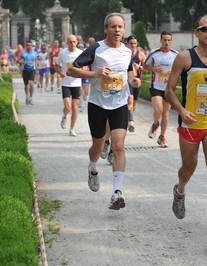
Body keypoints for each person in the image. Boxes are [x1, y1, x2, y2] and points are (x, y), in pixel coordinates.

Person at [165, 14, 207, 245]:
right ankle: (180, 190)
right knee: (189, 168)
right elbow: (169, 90)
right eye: (205, 29)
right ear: (197, 32)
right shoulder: (185, 57)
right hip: (190, 124)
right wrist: (182, 111)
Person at [67, 12, 141, 210]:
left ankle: (117, 193)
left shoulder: (127, 51)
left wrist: (133, 80)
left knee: (118, 146)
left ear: (124, 29)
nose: (117, 30)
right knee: (98, 148)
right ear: (105, 29)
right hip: (98, 104)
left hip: (119, 104)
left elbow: (129, 70)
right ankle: (92, 168)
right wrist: (95, 73)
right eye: (113, 27)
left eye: (120, 27)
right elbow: (71, 70)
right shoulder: (96, 49)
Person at [143, 30, 178, 147]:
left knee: (166, 113)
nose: (166, 42)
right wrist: (154, 69)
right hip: (156, 86)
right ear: (160, 40)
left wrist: (173, 73)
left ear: (171, 41)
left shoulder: (176, 54)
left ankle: (162, 137)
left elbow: (180, 70)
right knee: (158, 110)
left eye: (169, 40)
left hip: (168, 87)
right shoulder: (154, 53)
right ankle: (155, 124)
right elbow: (144, 66)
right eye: (164, 40)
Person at [56, 35, 83, 136]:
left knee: (75, 107)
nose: (72, 44)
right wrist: (60, 72)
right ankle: (64, 115)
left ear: (77, 42)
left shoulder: (80, 53)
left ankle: (72, 129)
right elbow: (56, 65)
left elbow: (84, 67)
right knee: (67, 106)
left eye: (74, 42)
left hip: (76, 83)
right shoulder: (62, 53)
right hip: (66, 83)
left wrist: (81, 71)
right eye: (70, 42)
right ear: (67, 43)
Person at [126, 35, 146, 132]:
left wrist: (140, 68)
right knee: (130, 99)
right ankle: (131, 122)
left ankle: (129, 116)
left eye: (134, 43)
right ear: (127, 43)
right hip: (127, 80)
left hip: (138, 81)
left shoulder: (141, 54)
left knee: (134, 102)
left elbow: (147, 67)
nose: (133, 45)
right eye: (131, 43)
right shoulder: (124, 54)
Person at [18, 41, 37, 105]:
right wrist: (22, 62)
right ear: (26, 46)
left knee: (31, 84)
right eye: (28, 45)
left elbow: (36, 60)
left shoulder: (34, 53)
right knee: (26, 86)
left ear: (32, 46)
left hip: (32, 70)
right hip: (25, 70)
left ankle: (31, 98)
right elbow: (17, 60)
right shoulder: (23, 53)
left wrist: (36, 67)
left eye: (30, 45)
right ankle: (27, 96)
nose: (29, 46)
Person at [76, 42, 89, 112]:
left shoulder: (86, 54)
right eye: (79, 47)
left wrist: (86, 68)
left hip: (85, 73)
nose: (80, 48)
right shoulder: (75, 54)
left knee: (86, 92)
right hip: (78, 73)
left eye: (81, 47)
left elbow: (88, 63)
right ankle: (81, 105)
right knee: (80, 89)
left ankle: (84, 96)